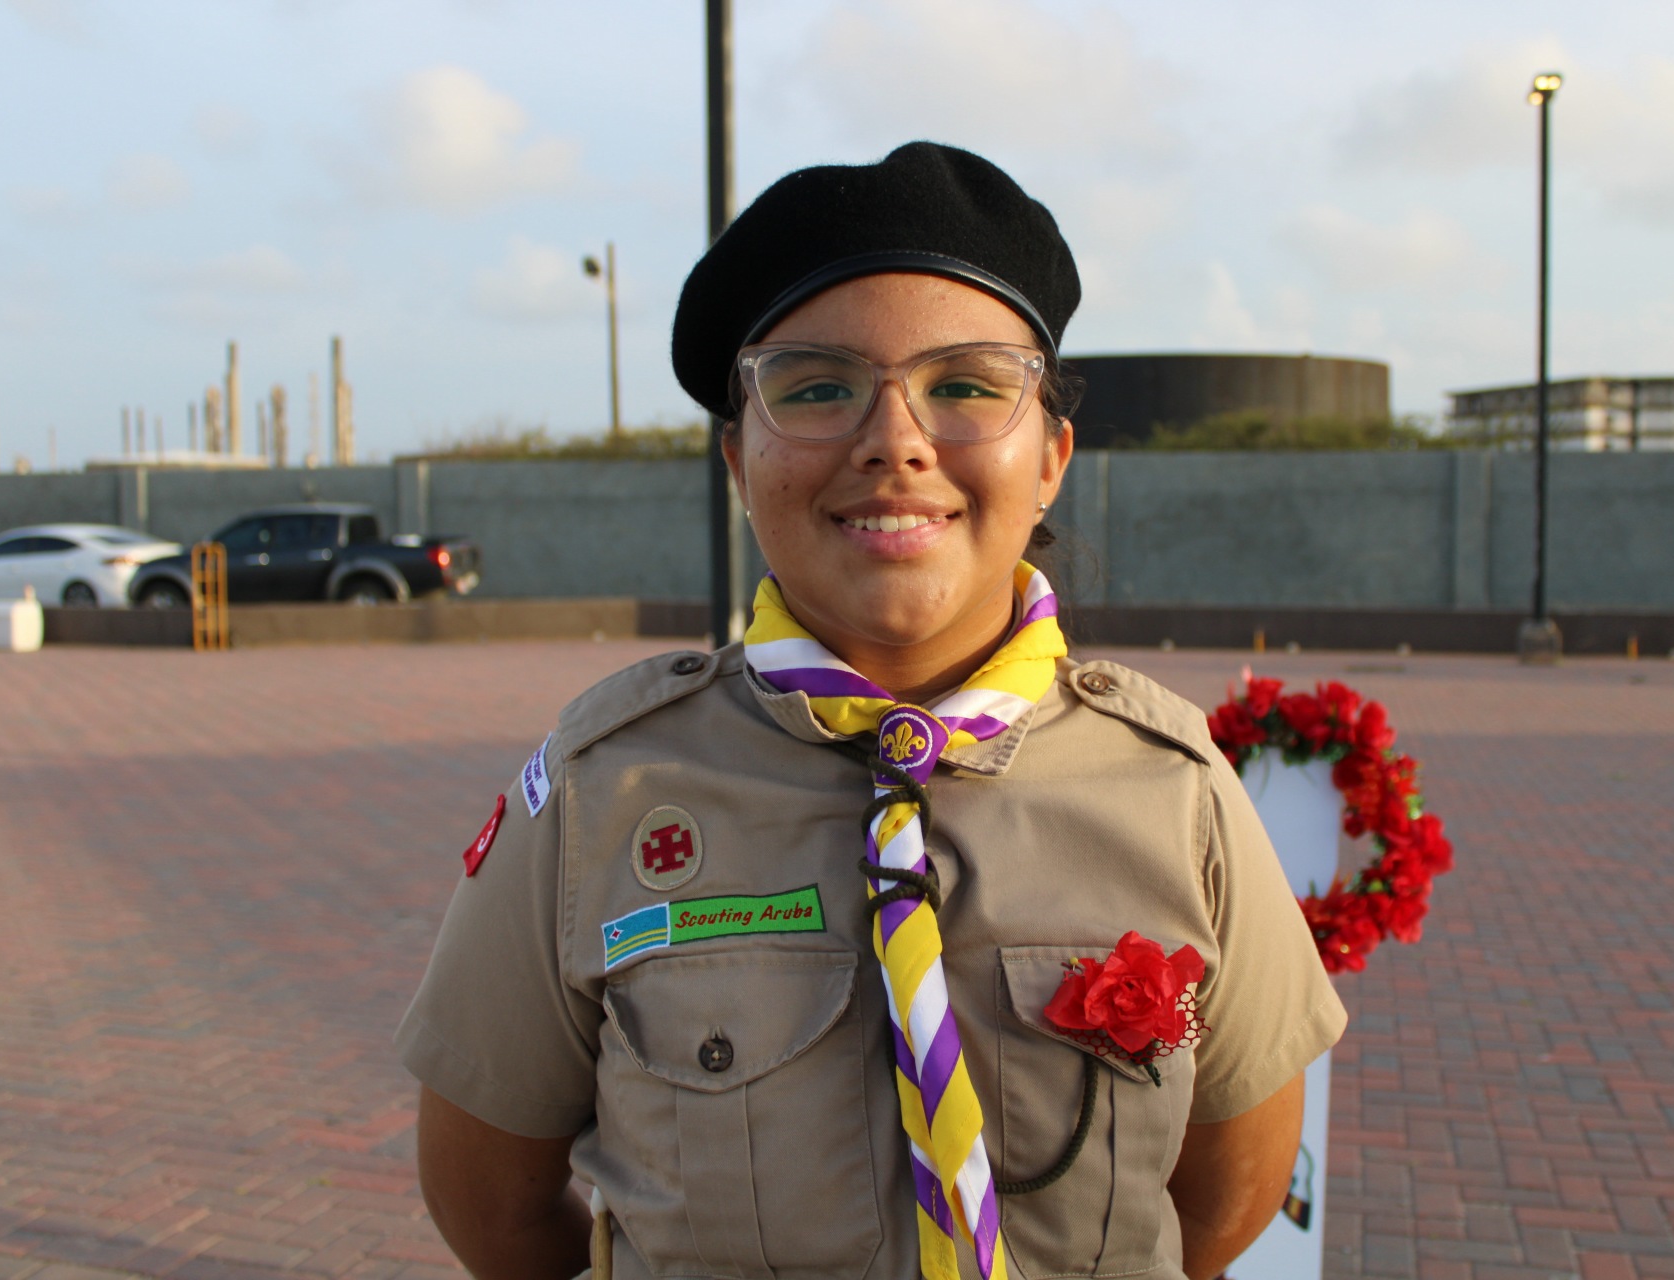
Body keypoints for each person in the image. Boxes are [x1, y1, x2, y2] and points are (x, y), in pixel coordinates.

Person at [397, 141, 1346, 1280]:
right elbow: (493, 1205)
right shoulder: (606, 791)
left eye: (966, 385)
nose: (894, 437)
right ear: (740, 461)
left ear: (1050, 454)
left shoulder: (1174, 790)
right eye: (816, 386)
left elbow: (1227, 1193)